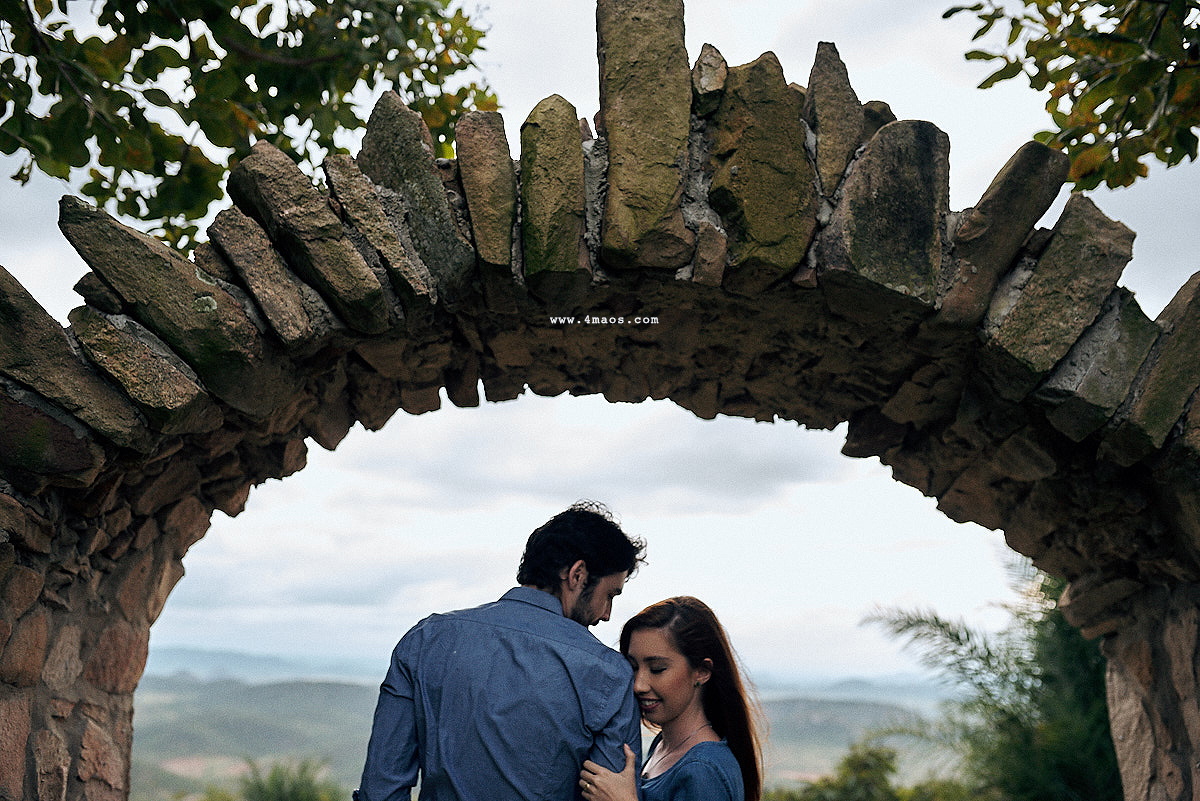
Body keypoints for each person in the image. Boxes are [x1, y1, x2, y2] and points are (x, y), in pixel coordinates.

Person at [355, 501, 647, 801]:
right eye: (609, 594)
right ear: (577, 575)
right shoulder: (608, 674)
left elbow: (381, 790)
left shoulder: (426, 639)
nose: (607, 614)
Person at [578, 596, 763, 801]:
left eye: (657, 669)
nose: (638, 685)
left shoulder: (703, 770)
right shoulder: (663, 745)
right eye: (633, 667)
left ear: (702, 671)